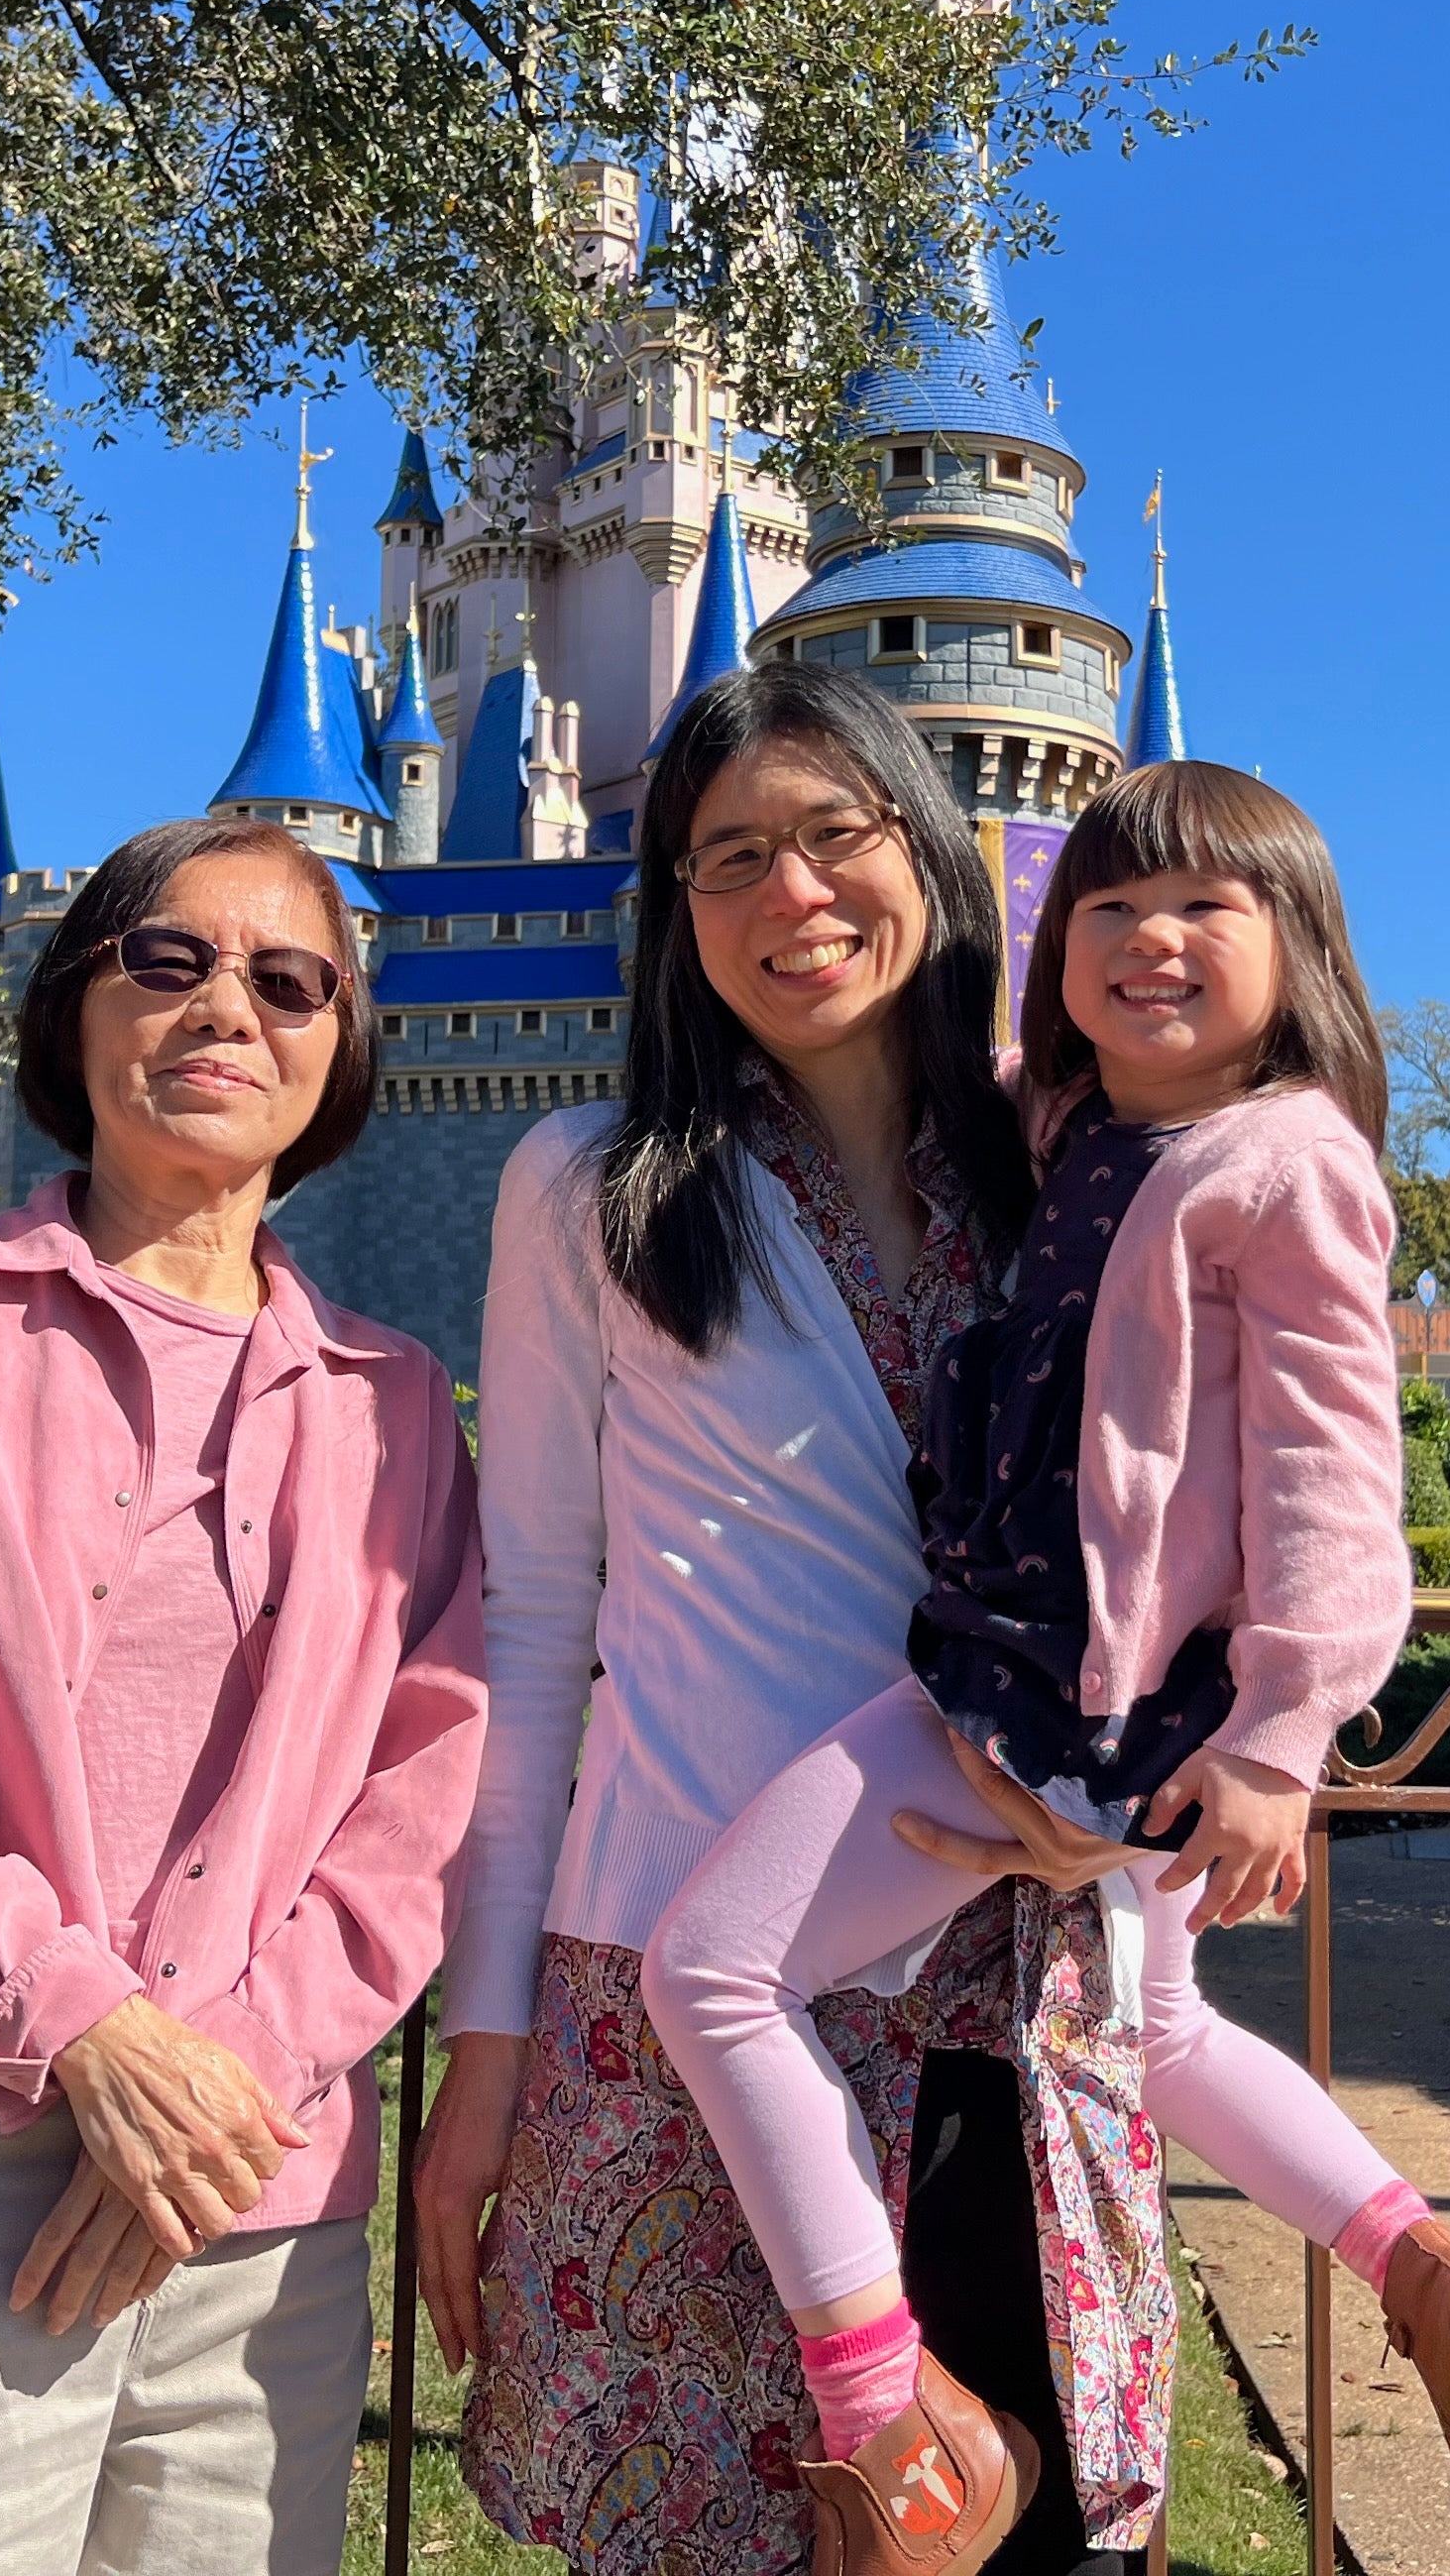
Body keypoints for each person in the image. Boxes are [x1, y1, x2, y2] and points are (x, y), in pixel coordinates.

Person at [642, 762, 1450, 2576]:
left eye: (1205, 912)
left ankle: (890, 2429)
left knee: (714, 1971)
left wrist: (1283, 1735)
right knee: (1158, 2028)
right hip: (1068, 1681)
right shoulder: (1091, 1140)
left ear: (1298, 951)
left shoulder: (1288, 1163)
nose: (1152, 942)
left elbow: (1335, 1479)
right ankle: (1426, 2271)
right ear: (1051, 949)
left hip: (1072, 1697)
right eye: (1107, 910)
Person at [413, 666, 1179, 2576]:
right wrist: (486, 2050)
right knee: (723, 2533)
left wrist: (1197, 1782)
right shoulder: (591, 1190)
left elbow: (1221, 1525)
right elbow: (534, 1630)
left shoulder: (1075, 1179)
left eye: (836, 835)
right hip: (676, 1996)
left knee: (1040, 2535)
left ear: (931, 845)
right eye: (728, 855)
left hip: (1021, 1990)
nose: (792, 895)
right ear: (673, 909)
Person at [0, 817, 488, 2576]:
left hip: (254, 2197)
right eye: (171, 962)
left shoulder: (393, 1406)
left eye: (291, 982)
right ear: (71, 1008)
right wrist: (83, 2031)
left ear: (340, 1054)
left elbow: (429, 1787)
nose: (230, 1007)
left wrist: (219, 2086)